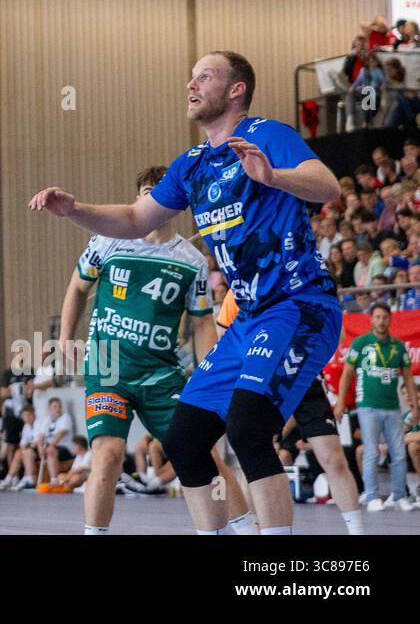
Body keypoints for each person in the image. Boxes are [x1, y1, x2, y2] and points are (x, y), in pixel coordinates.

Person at [31, 51, 343, 535]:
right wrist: (75, 209)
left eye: (205, 76)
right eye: (191, 77)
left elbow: (328, 187)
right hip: (247, 321)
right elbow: (135, 220)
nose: (191, 85)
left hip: (297, 305)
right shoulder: (192, 165)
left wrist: (274, 177)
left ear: (236, 89)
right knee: (185, 438)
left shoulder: (267, 135)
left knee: (247, 427)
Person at [57, 165, 251, 533]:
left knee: (201, 452)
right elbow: (78, 287)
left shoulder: (191, 261)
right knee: (108, 457)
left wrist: (210, 373)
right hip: (109, 366)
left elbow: (201, 322)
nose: (152, 198)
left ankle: (246, 527)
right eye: (146, 191)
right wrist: (66, 336)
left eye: (160, 191)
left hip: (163, 374)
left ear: (177, 202)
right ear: (137, 199)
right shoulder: (107, 239)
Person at [218, 291, 361, 532]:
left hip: (303, 377)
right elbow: (223, 337)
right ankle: (251, 527)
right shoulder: (238, 290)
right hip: (263, 381)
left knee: (334, 459)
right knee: (254, 457)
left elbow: (339, 335)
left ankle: (357, 530)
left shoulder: (304, 283)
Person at [334, 303, 419, 512]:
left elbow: (408, 377)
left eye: (385, 317)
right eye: (378, 317)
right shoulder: (360, 343)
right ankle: (371, 495)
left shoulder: (398, 346)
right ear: (371, 319)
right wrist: (340, 403)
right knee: (371, 452)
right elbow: (346, 373)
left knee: (398, 453)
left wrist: (415, 406)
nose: (381, 321)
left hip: (392, 407)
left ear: (390, 320)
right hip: (367, 406)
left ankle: (399, 496)